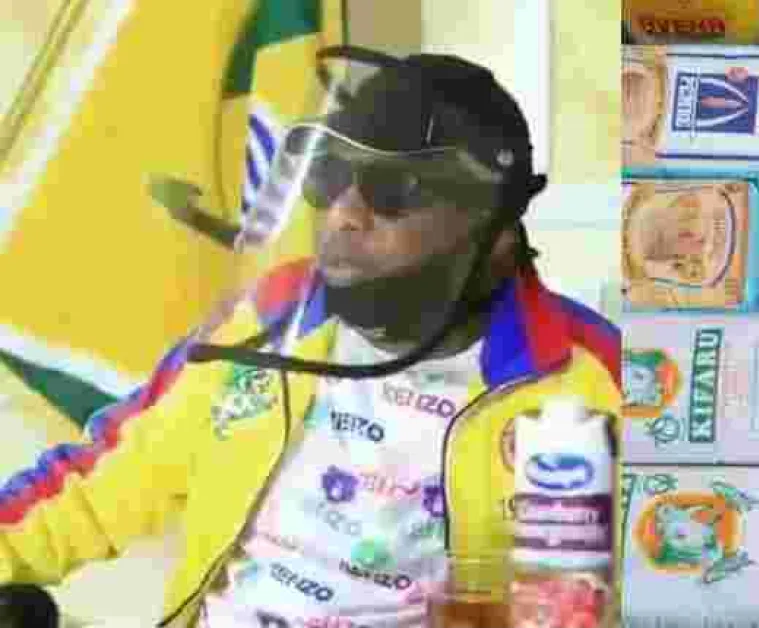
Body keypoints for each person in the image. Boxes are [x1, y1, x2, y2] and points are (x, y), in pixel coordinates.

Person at [0, 48, 621, 628]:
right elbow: (96, 485)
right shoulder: (272, 316)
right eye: (330, 175)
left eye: (393, 189)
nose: (345, 213)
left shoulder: (596, 378)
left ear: (497, 230)